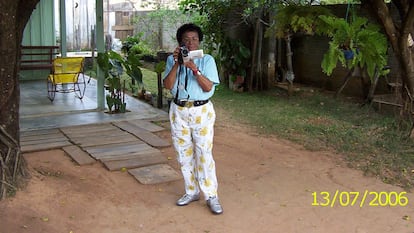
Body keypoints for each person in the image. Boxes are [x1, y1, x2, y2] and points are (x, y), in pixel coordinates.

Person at [163, 23, 223, 215]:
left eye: (194, 39)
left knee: (204, 153)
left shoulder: (207, 60)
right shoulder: (172, 60)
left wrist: (193, 68)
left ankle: (211, 195)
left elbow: (207, 87)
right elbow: (167, 85)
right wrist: (178, 65)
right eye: (186, 40)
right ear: (180, 42)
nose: (190, 43)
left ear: (199, 41)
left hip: (201, 111)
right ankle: (191, 191)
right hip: (179, 110)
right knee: (183, 153)